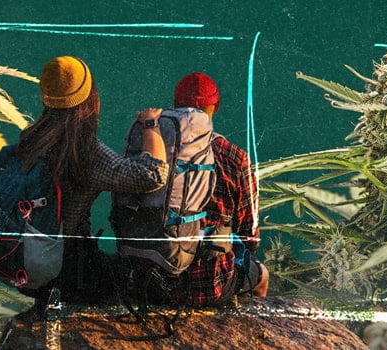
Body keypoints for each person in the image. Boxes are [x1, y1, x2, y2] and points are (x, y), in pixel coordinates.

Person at [17, 56, 169, 303]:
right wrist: (150, 125)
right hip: (69, 269)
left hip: (30, 258)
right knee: (137, 279)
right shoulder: (84, 150)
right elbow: (152, 175)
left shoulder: (31, 139)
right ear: (89, 97)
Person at [170, 72, 269, 306]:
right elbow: (250, 238)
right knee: (261, 275)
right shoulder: (235, 158)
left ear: (174, 106)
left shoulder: (155, 150)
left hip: (156, 281)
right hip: (209, 286)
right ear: (216, 106)